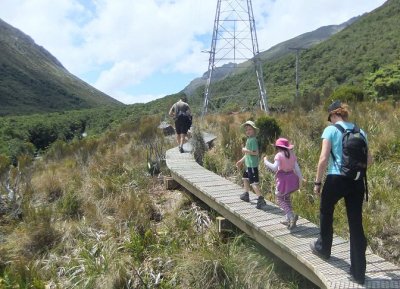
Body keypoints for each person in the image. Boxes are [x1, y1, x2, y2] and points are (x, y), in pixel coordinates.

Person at [310, 100, 372, 285]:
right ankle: (358, 273)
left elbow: (323, 159)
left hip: (336, 178)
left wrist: (317, 183)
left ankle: (323, 248)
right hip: (357, 181)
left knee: (326, 210)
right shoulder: (361, 132)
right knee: (355, 223)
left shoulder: (331, 130)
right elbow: (369, 160)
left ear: (333, 116)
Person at [264, 138, 302, 229]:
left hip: (283, 180)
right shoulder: (292, 155)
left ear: (278, 147)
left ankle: (290, 215)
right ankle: (288, 219)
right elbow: (297, 169)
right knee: (287, 198)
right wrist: (300, 180)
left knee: (279, 199)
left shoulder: (279, 155)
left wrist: (265, 161)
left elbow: (274, 168)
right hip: (292, 179)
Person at [236, 120, 266, 210]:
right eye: (246, 130)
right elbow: (247, 154)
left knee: (253, 183)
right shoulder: (249, 139)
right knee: (245, 178)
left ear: (254, 130)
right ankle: (246, 194)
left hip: (252, 166)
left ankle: (261, 199)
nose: (248, 131)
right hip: (248, 165)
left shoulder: (253, 140)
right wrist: (241, 161)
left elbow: (256, 152)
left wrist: (246, 150)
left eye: (250, 129)